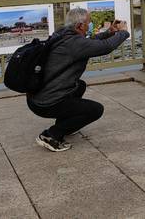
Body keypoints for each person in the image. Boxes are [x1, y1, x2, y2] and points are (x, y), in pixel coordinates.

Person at [26, 8, 130, 152]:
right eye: (89, 23)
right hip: (46, 103)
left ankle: (65, 125)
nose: (90, 25)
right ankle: (51, 135)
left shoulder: (62, 34)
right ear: (80, 26)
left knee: (79, 85)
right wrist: (124, 32)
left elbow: (88, 42)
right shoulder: (74, 43)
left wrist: (110, 32)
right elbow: (105, 47)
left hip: (36, 97)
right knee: (96, 109)